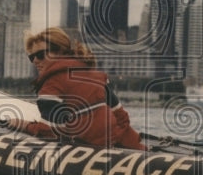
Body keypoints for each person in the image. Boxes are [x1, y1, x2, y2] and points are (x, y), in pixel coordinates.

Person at [8, 27, 145, 150]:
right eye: (32, 57)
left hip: (92, 151)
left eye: (40, 55)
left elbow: (50, 131)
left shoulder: (52, 84)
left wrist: (23, 125)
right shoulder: (96, 75)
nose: (35, 61)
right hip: (124, 147)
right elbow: (121, 116)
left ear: (59, 52)